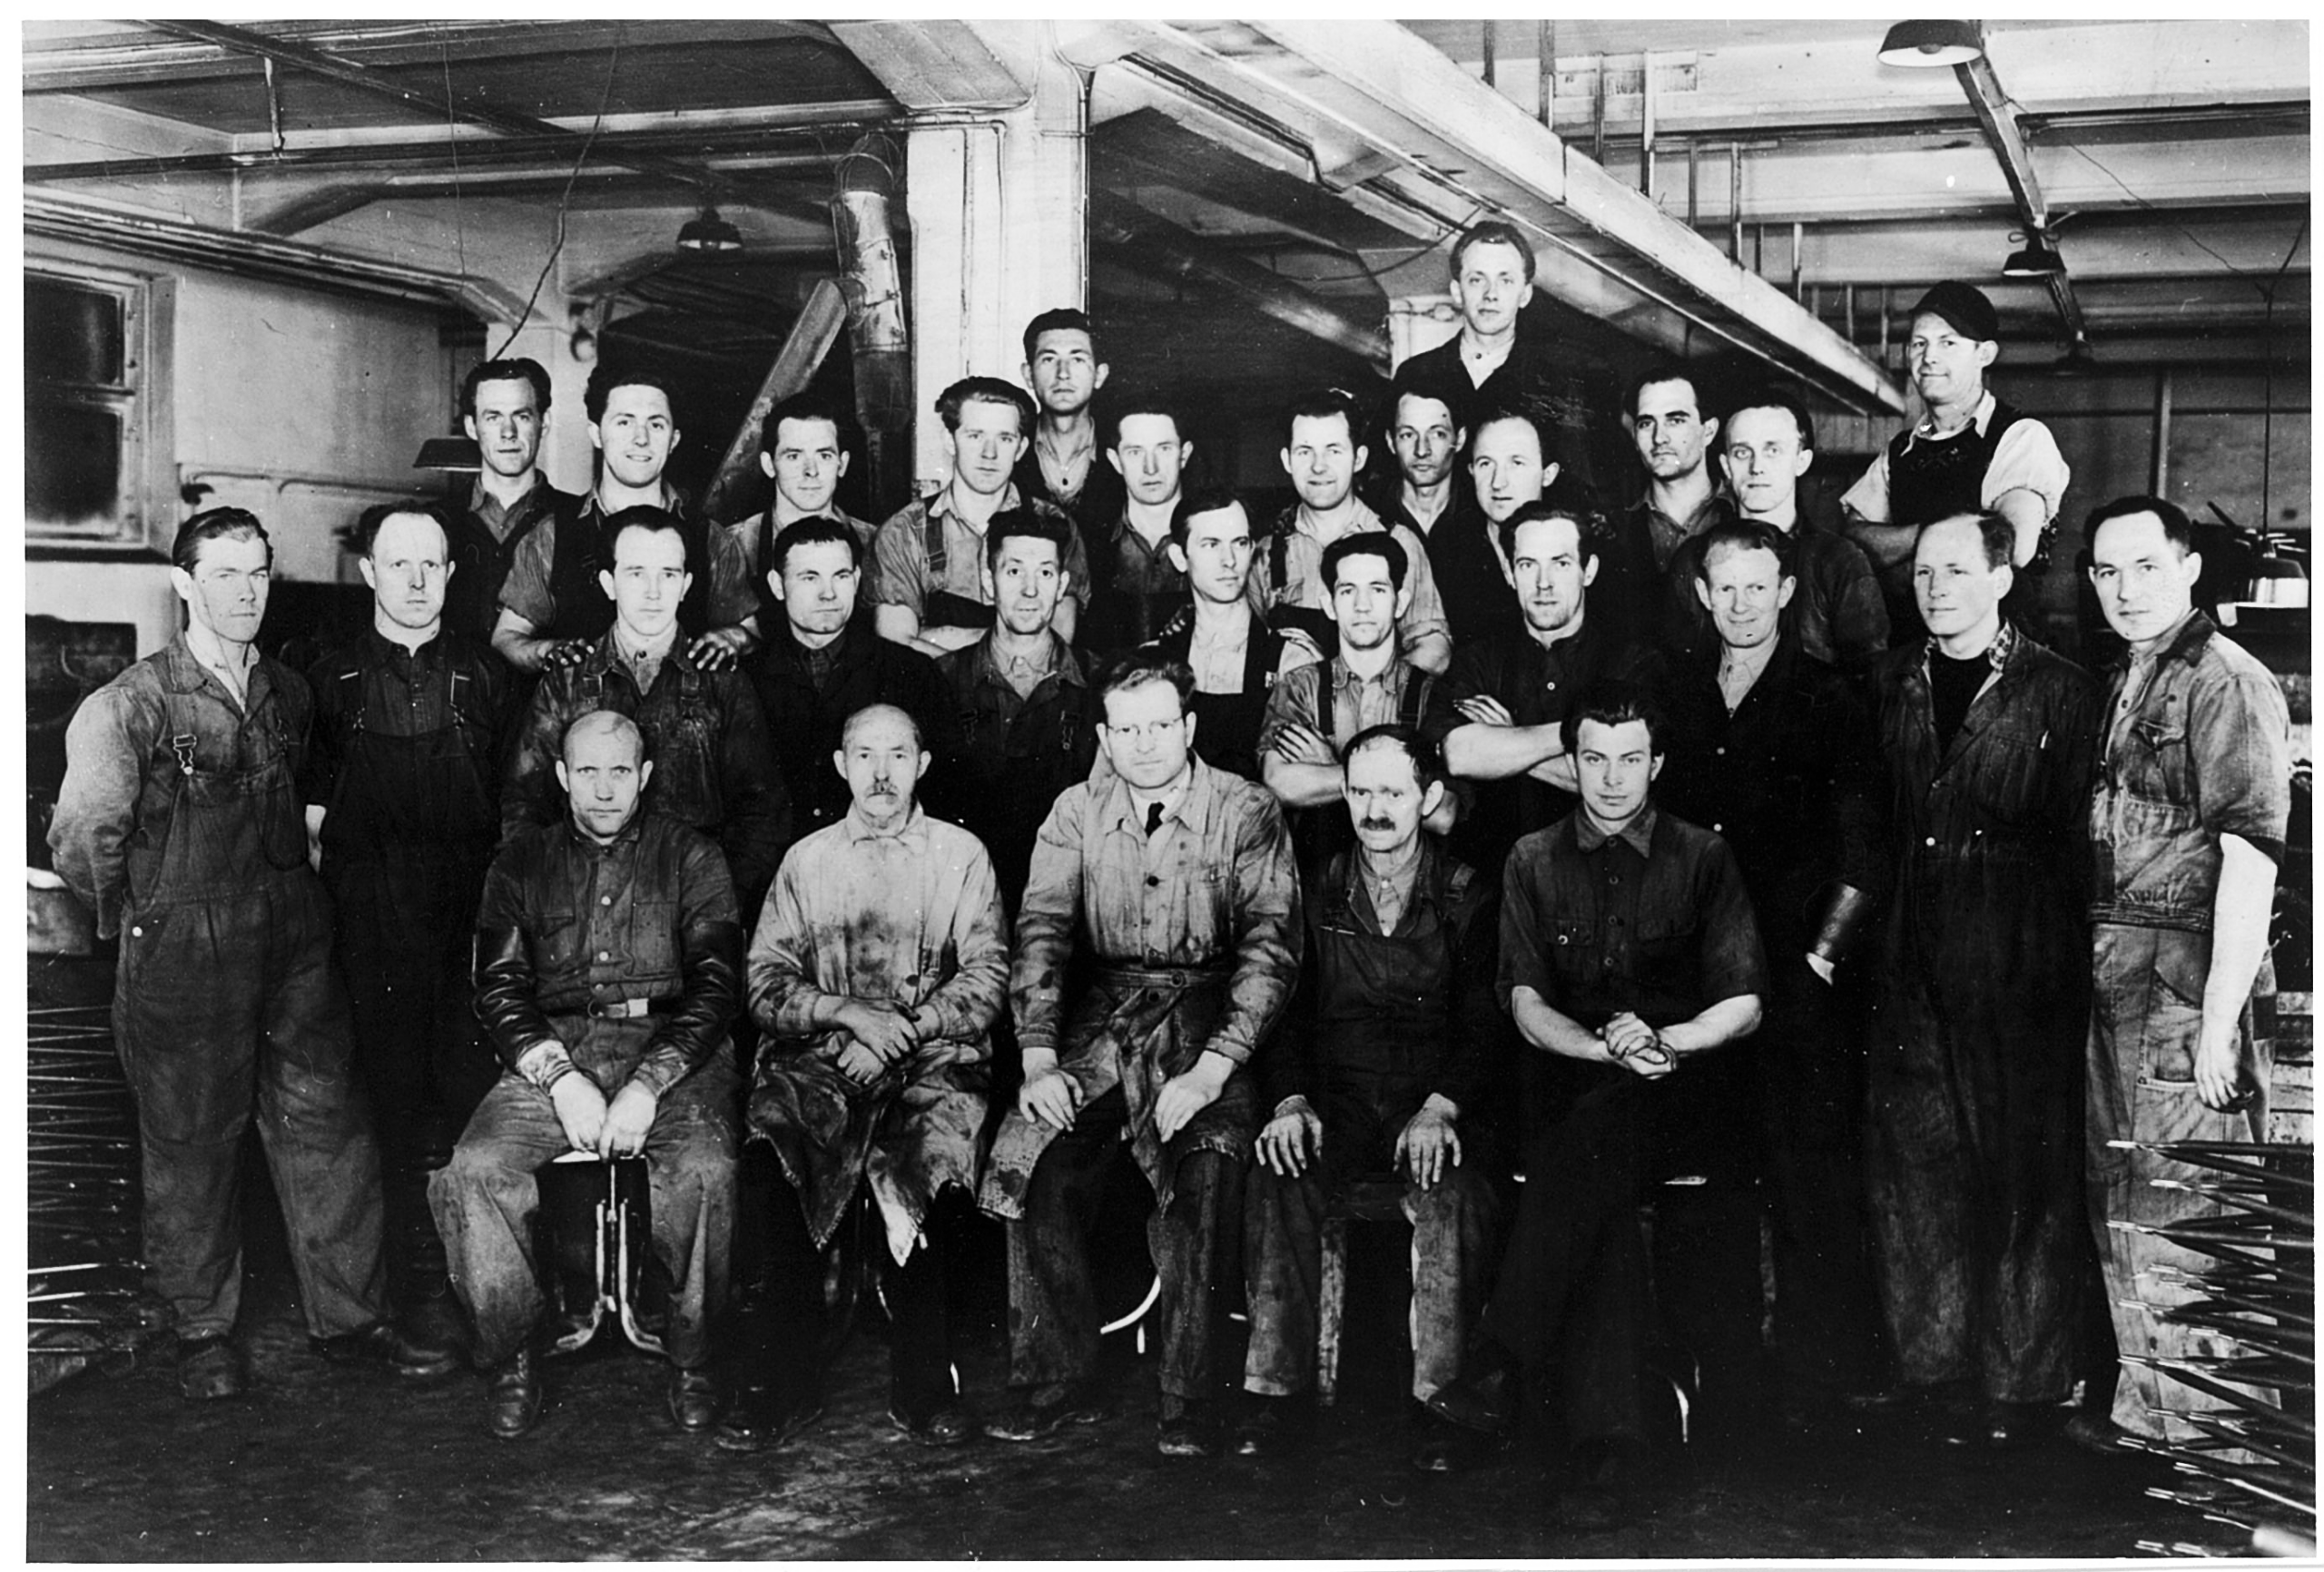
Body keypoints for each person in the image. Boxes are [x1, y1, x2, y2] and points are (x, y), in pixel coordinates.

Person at [49, 507, 431, 1400]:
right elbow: (83, 836)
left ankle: (350, 1317)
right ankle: (200, 1331)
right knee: (192, 1142)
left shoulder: (288, 693)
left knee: (329, 1125)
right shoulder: (131, 704)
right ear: (184, 583)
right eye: (225, 574)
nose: (246, 591)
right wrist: (137, 923)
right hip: (184, 946)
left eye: (258, 573)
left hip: (293, 939)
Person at [1429, 682, 1765, 1522]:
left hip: (1678, 1088)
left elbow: (1743, 1000)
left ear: (1657, 763)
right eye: (1594, 760)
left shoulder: (1704, 856)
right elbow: (1524, 1002)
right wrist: (1601, 1048)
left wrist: (1665, 1045)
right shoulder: (1531, 859)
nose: (1612, 779)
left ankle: (1501, 1358)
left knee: (1587, 1153)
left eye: (1630, 759)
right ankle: (1609, 1455)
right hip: (1573, 1080)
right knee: (1598, 1184)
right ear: (1570, 765)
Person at [980, 658, 1302, 1459]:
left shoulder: (1247, 809)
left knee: (1206, 1168)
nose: (1145, 743)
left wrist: (1215, 1068)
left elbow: (1270, 950)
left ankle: (1190, 1395)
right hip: (1105, 1018)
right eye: (1126, 729)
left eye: (1161, 725)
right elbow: (1042, 933)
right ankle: (1056, 1374)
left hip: (1210, 1016)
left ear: (1189, 727)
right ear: (1104, 736)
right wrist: (1039, 1056)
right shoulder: (1074, 812)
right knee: (1034, 1157)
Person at [435, 711, 743, 1439]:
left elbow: (717, 987)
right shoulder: (520, 862)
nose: (604, 790)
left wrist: (649, 1083)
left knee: (706, 1169)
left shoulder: (693, 857)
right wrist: (560, 1078)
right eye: (588, 772)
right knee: (474, 1172)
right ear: (562, 777)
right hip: (557, 1048)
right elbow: (499, 988)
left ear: (645, 777)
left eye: (620, 772)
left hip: (673, 1050)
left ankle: (695, 1354)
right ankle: (512, 1351)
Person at [1865, 510, 2100, 1448]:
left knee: (2022, 1175)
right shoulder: (1890, 682)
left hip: (2018, 964)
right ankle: (1933, 1374)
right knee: (1915, 1172)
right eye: (1923, 572)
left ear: (2002, 578)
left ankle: (2020, 1389)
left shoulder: (2062, 692)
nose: (1935, 588)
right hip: (1908, 960)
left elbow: (2076, 845)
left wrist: (2047, 961)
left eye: (1956, 571)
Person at [1653, 517, 1889, 1426]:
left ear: (1787, 592)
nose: (1743, 604)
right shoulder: (1677, 692)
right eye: (1727, 587)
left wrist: (1821, 958)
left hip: (1793, 976)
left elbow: (1863, 843)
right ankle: (1722, 1381)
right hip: (1700, 975)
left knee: (1806, 1176)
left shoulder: (1830, 697)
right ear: (1702, 596)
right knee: (1708, 1174)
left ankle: (1813, 1387)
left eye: (1760, 586)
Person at [2076, 496, 2292, 1458]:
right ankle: (2160, 1427)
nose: (2125, 589)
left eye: (2146, 567)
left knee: (2193, 1210)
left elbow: (2250, 859)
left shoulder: (2226, 681)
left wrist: (2217, 1024)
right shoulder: (2134, 675)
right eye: (2106, 571)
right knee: (2130, 1204)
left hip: (2182, 989)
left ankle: (2220, 1449)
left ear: (2189, 566)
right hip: (2122, 981)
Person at [733, 704, 1009, 1449]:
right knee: (774, 1155)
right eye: (864, 756)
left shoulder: (961, 855)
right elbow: (763, 983)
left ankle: (924, 1384)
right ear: (840, 765)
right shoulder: (808, 861)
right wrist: (847, 1015)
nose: (881, 774)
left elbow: (987, 977)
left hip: (931, 1058)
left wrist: (900, 1032)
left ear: (923, 764)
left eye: (898, 756)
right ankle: (783, 1380)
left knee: (935, 1164)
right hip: (822, 1058)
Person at [1238, 725, 1504, 1474]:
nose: (1376, 809)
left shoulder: (1468, 895)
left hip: (1431, 1101)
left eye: (1393, 791)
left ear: (1429, 797)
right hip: (1342, 1098)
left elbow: (1488, 1023)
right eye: (1361, 792)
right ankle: (1275, 1396)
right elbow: (1283, 1008)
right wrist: (1291, 1101)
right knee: (1279, 1173)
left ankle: (1442, 1403)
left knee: (1452, 1193)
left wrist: (1444, 1106)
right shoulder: (1313, 886)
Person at [305, 501, 516, 1371]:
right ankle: (419, 1301)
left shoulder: (487, 678)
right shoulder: (329, 679)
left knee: (467, 1106)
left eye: (432, 564)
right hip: (371, 920)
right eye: (399, 564)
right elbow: (311, 825)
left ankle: (479, 1295)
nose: (418, 580)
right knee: (392, 1113)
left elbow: (516, 817)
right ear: (369, 573)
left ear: (452, 575)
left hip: (468, 917)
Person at [502, 507, 789, 918]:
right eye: (636, 573)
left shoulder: (722, 682)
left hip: (693, 906)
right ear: (609, 583)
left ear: (686, 585)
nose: (653, 592)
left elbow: (761, 812)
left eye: (668, 574)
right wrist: (556, 900)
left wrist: (716, 903)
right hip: (583, 910)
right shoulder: (566, 682)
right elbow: (524, 805)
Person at [1426, 497, 1650, 878]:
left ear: (1589, 570)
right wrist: (1588, 738)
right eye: (1528, 565)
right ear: (1509, 572)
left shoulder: (1631, 662)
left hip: (1605, 879)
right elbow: (1460, 754)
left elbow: (1618, 783)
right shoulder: (1478, 660)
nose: (1543, 583)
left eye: (1561, 564)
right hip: (1494, 880)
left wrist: (1508, 737)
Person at [492, 365, 758, 674]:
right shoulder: (551, 536)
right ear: (596, 434)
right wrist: (546, 651)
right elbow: (506, 638)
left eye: (656, 424)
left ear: (673, 439)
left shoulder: (710, 539)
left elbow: (752, 632)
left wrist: (734, 637)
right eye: (624, 422)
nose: (641, 438)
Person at [1841, 281, 2072, 635]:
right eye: (1919, 344)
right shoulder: (1900, 450)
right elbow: (1853, 544)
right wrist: (1945, 536)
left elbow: (2011, 548)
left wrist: (1901, 552)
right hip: (1909, 650)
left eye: (1948, 343)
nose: (1929, 357)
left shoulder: (2019, 437)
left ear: (1985, 354)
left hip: (1996, 650)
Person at [742, 515, 957, 847]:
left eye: (840, 576)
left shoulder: (911, 672)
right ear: (777, 585)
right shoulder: (746, 678)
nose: (828, 593)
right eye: (809, 577)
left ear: (856, 580)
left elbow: (944, 789)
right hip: (775, 863)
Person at [931, 509, 1101, 910]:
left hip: (1072, 903)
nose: (1030, 590)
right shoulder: (941, 681)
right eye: (1013, 572)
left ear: (1062, 585)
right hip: (965, 900)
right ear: (988, 583)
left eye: (1045, 573)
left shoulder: (1099, 683)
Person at [1258, 533, 1456, 872]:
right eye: (1348, 590)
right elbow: (1280, 783)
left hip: (1412, 885)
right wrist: (1399, 788)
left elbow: (1443, 814)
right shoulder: (1300, 687)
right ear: (1329, 604)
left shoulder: (1431, 694)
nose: (1362, 605)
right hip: (1320, 880)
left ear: (1400, 603)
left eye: (1377, 589)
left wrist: (1330, 767)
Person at [1665, 389, 1888, 673]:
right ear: (1726, 466)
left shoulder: (1838, 561)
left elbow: (1871, 676)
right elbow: (1672, 672)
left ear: (1802, 461)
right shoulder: (1693, 559)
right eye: (1742, 452)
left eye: (1773, 451)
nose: (1756, 467)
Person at [870, 376, 1090, 658]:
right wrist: (1010, 640)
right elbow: (898, 642)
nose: (989, 453)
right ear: (950, 441)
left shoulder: (1055, 525)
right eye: (975, 436)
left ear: (1021, 448)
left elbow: (1057, 642)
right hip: (937, 685)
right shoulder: (904, 532)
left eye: (1005, 438)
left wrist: (942, 635)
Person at [1397, 221, 1605, 496]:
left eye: (1505, 280)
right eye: (1477, 280)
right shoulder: (1416, 375)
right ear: (1457, 292)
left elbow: (1577, 484)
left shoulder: (1556, 381)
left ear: (1525, 294)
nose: (1490, 294)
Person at [1259, 387, 1452, 673]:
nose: (1318, 467)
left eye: (1333, 451)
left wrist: (1366, 688)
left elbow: (1434, 649)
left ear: (1358, 459)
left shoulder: (1399, 542)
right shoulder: (1265, 553)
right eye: (1305, 452)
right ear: (1287, 461)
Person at [1143, 484, 1322, 783]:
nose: (1229, 560)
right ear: (1179, 557)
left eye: (1239, 543)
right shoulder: (1152, 661)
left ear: (1252, 550)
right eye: (1211, 544)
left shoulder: (1291, 661)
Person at [1374, 366, 1514, 651]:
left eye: (1437, 434)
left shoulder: (1485, 517)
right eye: (1407, 435)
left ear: (1459, 439)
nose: (1422, 450)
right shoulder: (1371, 518)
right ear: (1390, 441)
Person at [445, 357, 579, 651]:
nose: (509, 432)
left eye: (522, 416)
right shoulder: (439, 521)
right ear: (471, 426)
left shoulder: (579, 521)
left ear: (544, 423)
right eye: (493, 417)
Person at [1080, 393, 1196, 659]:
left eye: (1164, 449)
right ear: (1115, 460)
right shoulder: (1090, 544)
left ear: (1184, 455)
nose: (1150, 468)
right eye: (1135, 452)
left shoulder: (1219, 538)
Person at [729, 389, 874, 575]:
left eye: (824, 455)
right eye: (794, 456)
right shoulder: (733, 547)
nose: (811, 471)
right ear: (769, 465)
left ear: (842, 464)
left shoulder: (877, 545)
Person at [1012, 308, 1128, 539]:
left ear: (1099, 375)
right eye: (1049, 359)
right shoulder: (1007, 451)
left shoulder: (1126, 452)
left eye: (1077, 359)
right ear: (1028, 374)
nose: (1063, 373)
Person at [1623, 363, 1729, 575]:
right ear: (1634, 436)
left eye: (1675, 421)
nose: (1659, 437)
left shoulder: (1741, 512)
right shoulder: (1618, 525)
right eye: (1646, 423)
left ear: (1708, 431)